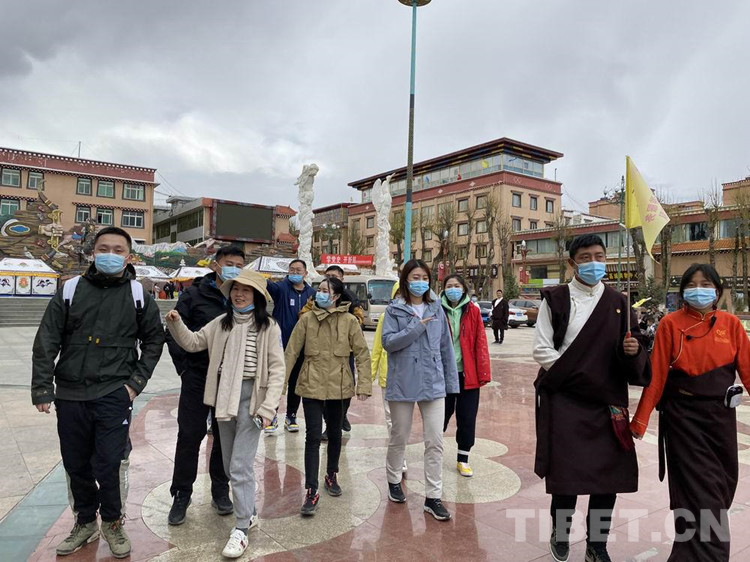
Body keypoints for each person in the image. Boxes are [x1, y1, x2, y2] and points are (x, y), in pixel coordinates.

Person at [31, 226, 165, 559]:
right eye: (104, 248)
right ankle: (85, 522)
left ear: (128, 257)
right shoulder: (70, 289)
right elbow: (47, 338)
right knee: (75, 463)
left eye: (118, 250)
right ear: (93, 252)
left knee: (109, 463)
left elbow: (154, 340)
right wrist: (43, 387)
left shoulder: (138, 294)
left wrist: (135, 384)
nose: (110, 255)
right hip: (70, 392)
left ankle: (113, 523)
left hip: (113, 393)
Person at [532, 234, 651, 562]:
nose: (594, 262)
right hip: (566, 400)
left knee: (607, 480)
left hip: (607, 402)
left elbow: (635, 360)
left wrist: (633, 351)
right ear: (572, 262)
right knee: (566, 477)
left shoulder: (619, 302)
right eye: (585, 257)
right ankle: (561, 532)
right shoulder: (555, 299)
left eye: (599, 256)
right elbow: (542, 349)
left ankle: (597, 545)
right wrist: (580, 377)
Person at [631, 264, 750, 561]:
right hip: (684, 420)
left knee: (721, 488)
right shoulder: (670, 323)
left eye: (706, 284)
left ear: (717, 291)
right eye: (692, 284)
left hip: (721, 420)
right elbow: (657, 376)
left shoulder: (731, 324)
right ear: (683, 291)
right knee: (701, 494)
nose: (699, 289)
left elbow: (749, 372)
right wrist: (640, 421)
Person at [165, 268, 285, 559]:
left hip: (252, 401)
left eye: (246, 290)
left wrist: (268, 408)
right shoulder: (221, 323)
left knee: (240, 466)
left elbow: (277, 370)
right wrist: (176, 324)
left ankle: (241, 528)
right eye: (235, 290)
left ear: (257, 296)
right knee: (231, 464)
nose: (239, 294)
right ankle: (250, 511)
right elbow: (193, 343)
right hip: (224, 398)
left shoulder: (269, 326)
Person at [165, 246, 246, 526]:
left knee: (225, 436)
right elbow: (174, 330)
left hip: (230, 379)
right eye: (229, 263)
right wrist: (184, 368)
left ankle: (220, 490)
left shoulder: (242, 295)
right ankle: (181, 494)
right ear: (215, 265)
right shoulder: (194, 295)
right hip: (198, 376)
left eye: (239, 265)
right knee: (190, 434)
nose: (234, 269)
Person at [283, 276, 371, 516]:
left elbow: (362, 354)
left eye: (324, 290)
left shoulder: (350, 321)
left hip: (339, 385)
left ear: (336, 296)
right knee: (312, 436)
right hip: (311, 383)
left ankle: (331, 474)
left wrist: (364, 385)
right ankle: (311, 489)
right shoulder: (306, 320)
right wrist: (280, 386)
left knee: (334, 433)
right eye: (318, 290)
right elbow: (291, 353)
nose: (319, 294)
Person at [381, 259, 459, 521]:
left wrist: (451, 384)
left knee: (435, 441)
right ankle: (394, 480)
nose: (421, 282)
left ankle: (433, 497)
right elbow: (388, 343)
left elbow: (446, 347)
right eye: (415, 277)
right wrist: (417, 327)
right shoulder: (394, 310)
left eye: (425, 278)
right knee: (399, 436)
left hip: (433, 382)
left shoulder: (436, 308)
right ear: (405, 280)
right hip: (403, 381)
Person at [441, 274, 491, 477]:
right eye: (449, 285)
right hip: (443, 375)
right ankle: (434, 453)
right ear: (443, 289)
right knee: (439, 417)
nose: (453, 289)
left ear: (463, 289)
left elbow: (480, 341)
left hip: (467, 374)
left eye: (457, 285)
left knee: (467, 418)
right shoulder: (436, 309)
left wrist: (483, 372)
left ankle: (463, 459)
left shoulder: (473, 310)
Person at [265, 259, 316, 433]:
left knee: (295, 381)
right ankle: (271, 415)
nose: (295, 273)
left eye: (298, 270)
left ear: (305, 273)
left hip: (302, 346)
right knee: (276, 380)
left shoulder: (312, 293)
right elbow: (267, 285)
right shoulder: (281, 288)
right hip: (280, 344)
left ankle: (291, 415)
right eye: (292, 270)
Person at [315, 265, 364, 438]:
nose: (330, 278)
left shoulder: (350, 297)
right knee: (322, 391)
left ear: (342, 279)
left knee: (346, 387)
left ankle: (341, 416)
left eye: (334, 276)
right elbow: (304, 315)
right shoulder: (316, 298)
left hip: (344, 351)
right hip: (320, 351)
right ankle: (330, 424)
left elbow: (359, 319)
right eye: (327, 275)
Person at [370, 282, 407, 474]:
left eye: (404, 293)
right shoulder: (385, 317)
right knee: (392, 419)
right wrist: (369, 376)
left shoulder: (418, 315)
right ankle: (399, 456)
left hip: (410, 376)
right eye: (398, 293)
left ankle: (400, 450)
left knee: (405, 419)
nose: (401, 297)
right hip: (388, 375)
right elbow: (377, 347)